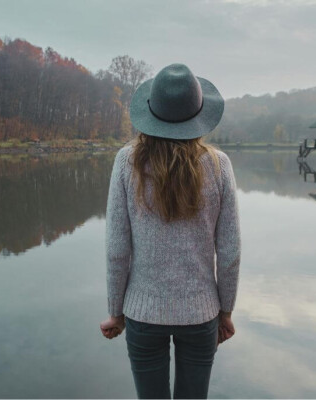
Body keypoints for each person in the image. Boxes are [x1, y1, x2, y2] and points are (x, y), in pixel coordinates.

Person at [100, 63, 241, 399]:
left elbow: (117, 249)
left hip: (142, 314)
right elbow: (231, 251)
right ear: (198, 115)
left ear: (150, 113)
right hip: (202, 314)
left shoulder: (126, 162)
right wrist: (226, 311)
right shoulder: (219, 165)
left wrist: (115, 312)